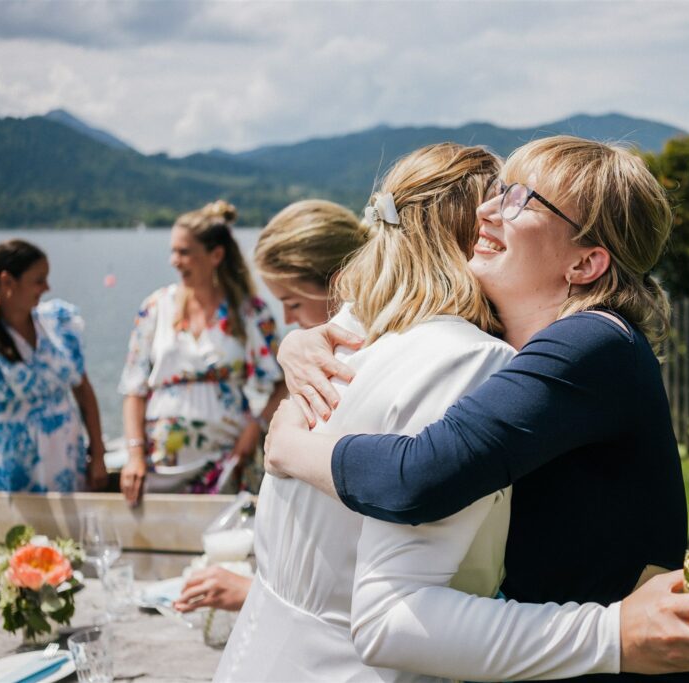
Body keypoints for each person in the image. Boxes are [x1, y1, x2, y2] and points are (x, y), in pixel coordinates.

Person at [266, 136, 689, 681]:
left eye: (522, 199)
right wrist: (307, 340)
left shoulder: (592, 343)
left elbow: (416, 479)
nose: (487, 208)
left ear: (586, 262)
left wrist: (288, 445)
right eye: (499, 189)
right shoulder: (527, 344)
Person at [215, 143, 517, 682]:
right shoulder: (474, 361)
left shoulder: (342, 339)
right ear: (479, 235)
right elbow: (403, 606)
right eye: (502, 214)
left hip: (258, 654)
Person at [174, 198, 369, 614]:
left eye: (294, 303)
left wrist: (255, 593)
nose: (286, 316)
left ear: (337, 283)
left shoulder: (354, 365)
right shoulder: (322, 351)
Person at [118, 201, 285, 504]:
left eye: (184, 252)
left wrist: (255, 428)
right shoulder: (156, 307)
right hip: (161, 459)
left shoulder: (249, 311)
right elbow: (134, 389)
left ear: (216, 255)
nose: (174, 261)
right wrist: (134, 454)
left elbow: (283, 382)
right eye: (173, 251)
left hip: (230, 455)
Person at [0, 239, 108, 493]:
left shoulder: (58, 322)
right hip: (14, 467)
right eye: (39, 279)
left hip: (67, 457)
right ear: (7, 282)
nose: (47, 287)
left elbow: (83, 391)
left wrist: (98, 453)